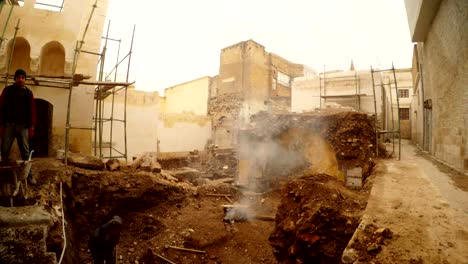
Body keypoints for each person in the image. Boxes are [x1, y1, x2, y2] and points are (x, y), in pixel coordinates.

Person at [0, 68, 36, 185]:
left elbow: (32, 111)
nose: (20, 79)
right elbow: (1, 107)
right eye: (18, 77)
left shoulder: (28, 93)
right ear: (15, 79)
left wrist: (31, 126)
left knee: (25, 153)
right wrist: (1, 124)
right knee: (4, 151)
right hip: (9, 126)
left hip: (23, 127)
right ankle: (3, 177)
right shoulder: (7, 91)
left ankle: (29, 176)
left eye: (22, 78)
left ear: (25, 79)